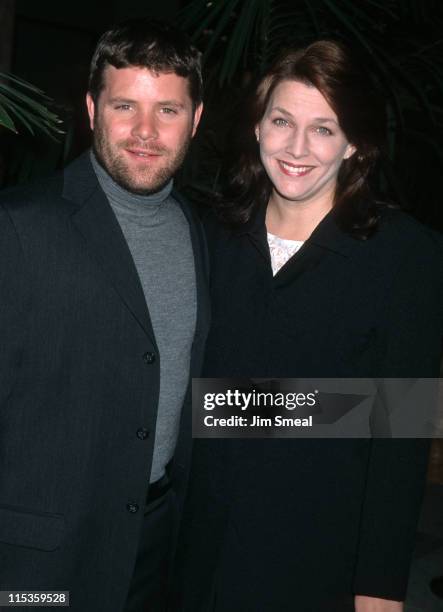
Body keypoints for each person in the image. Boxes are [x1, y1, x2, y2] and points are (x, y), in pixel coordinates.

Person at [172, 41, 443, 611]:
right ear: (257, 128)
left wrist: (380, 586)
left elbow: (405, 431)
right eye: (282, 121)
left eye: (324, 128)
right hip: (199, 549)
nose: (297, 148)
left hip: (321, 554)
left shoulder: (405, 254)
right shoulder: (211, 236)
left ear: (355, 144)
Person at [0, 18, 209, 612]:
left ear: (195, 120)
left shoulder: (199, 232)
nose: (145, 132)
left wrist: (367, 410)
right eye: (125, 106)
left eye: (167, 111)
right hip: (36, 564)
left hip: (152, 550)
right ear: (93, 109)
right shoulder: (17, 226)